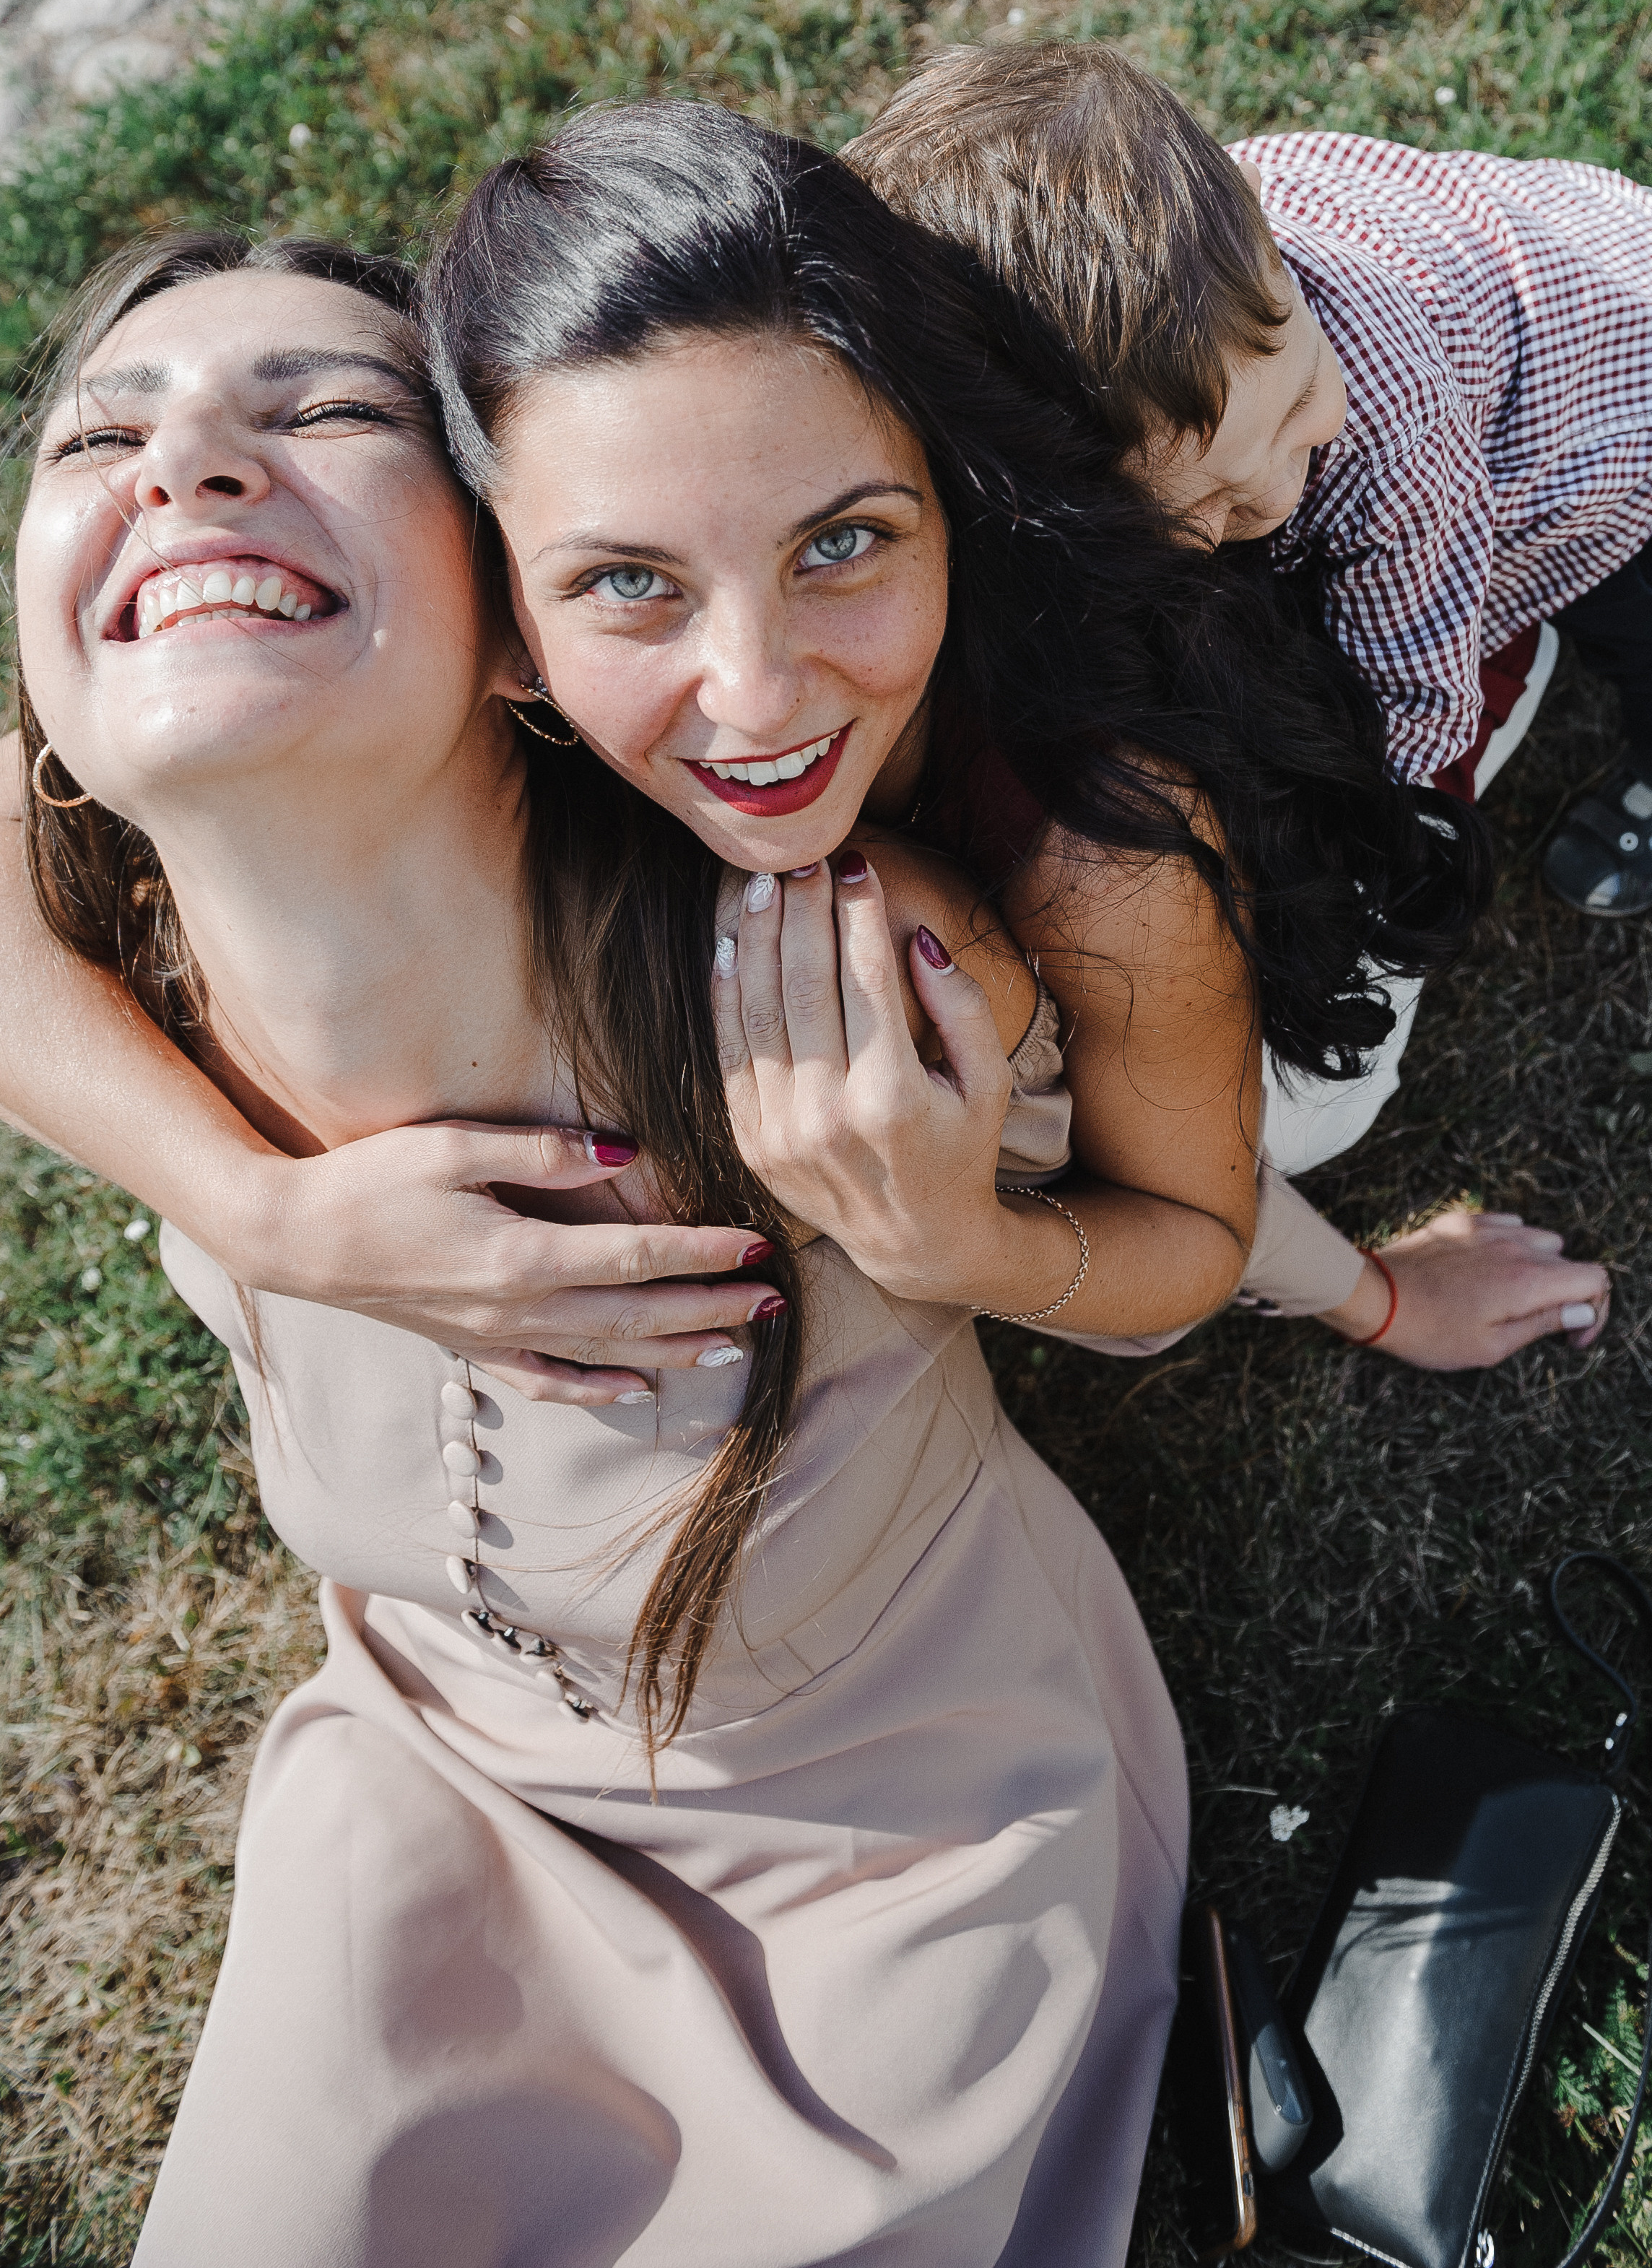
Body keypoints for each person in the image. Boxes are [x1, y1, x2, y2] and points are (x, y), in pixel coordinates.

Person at [14, 230, 1188, 2265]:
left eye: (325, 410)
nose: (182, 464)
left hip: (884, 1828)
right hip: (431, 1784)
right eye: (98, 437)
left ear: (524, 621)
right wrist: (258, 1205)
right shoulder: (117, 958)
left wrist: (1010, 1238)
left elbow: (1153, 1213)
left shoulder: (837, 980)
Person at [0, 108, 1609, 1373]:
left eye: (843, 543)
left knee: (1295, 1103)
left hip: (1256, 907)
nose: (758, 697)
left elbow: (1192, 1219)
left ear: (954, 514)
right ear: (496, 612)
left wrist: (972, 1246)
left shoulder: (1091, 838)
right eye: (628, 582)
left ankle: (1513, 675)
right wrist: (249, 1208)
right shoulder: (412, 701)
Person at [843, 37, 1652, 1167]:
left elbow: (1419, 693)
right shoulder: (1206, 274)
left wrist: (1361, 840)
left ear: (1270, 235)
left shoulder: (1392, 429)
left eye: (1298, 404)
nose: (1277, 490)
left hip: (1637, 398)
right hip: (1549, 305)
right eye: (1210, 501)